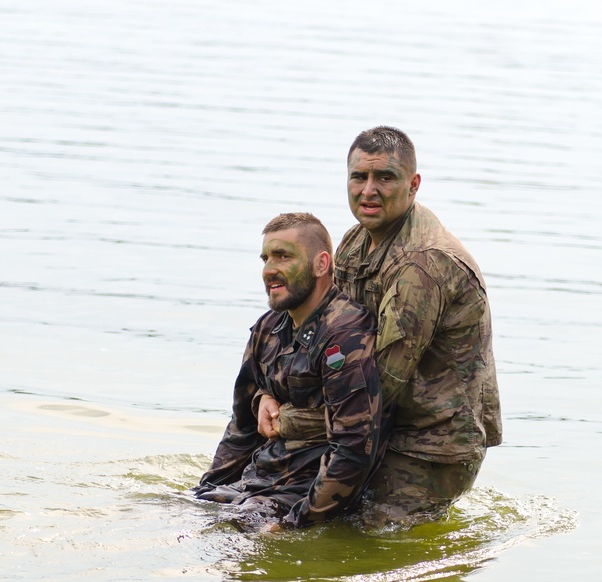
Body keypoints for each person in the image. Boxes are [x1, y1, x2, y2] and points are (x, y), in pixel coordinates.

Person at [324, 125, 503, 523]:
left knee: (364, 533)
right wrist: (270, 395)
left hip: (430, 447)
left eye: (385, 177)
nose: (368, 190)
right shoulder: (356, 240)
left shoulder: (423, 263)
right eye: (359, 177)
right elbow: (326, 337)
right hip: (380, 427)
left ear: (413, 184)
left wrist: (289, 417)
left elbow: (379, 384)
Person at [194, 212, 391, 530]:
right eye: (266, 258)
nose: (269, 270)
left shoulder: (345, 334)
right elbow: (241, 428)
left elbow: (354, 448)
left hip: (296, 498)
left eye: (283, 256)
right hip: (254, 487)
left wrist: (296, 522)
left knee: (216, 543)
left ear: (321, 264)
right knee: (162, 510)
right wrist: (202, 494)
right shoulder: (267, 328)